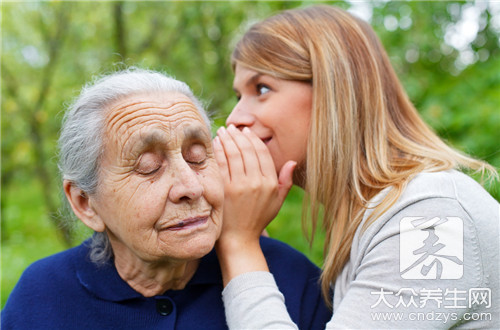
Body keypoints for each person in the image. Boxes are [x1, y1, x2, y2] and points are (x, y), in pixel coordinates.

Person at [213, 5, 499, 329]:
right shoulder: (374, 216)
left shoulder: (430, 217)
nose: (235, 118)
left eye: (261, 88)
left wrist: (240, 246)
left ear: (332, 90)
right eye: (239, 95)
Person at [1, 68, 331, 329]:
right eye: (148, 168)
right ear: (85, 203)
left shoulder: (289, 280)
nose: (191, 186)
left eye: (199, 156)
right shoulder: (41, 296)